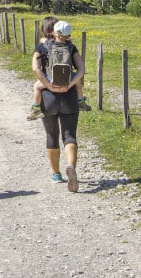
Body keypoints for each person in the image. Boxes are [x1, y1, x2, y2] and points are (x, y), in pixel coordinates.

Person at [32, 20, 85, 192]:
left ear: (53, 33)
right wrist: (70, 85)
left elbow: (36, 69)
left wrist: (47, 85)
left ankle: (56, 174)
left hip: (49, 98)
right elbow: (82, 69)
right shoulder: (72, 47)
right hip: (69, 97)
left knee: (51, 135)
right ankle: (71, 166)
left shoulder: (42, 48)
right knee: (69, 136)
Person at [26, 16, 58, 120]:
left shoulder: (42, 45)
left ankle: (36, 108)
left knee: (36, 86)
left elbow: (36, 68)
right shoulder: (66, 43)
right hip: (67, 77)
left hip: (50, 78)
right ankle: (80, 100)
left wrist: (48, 85)